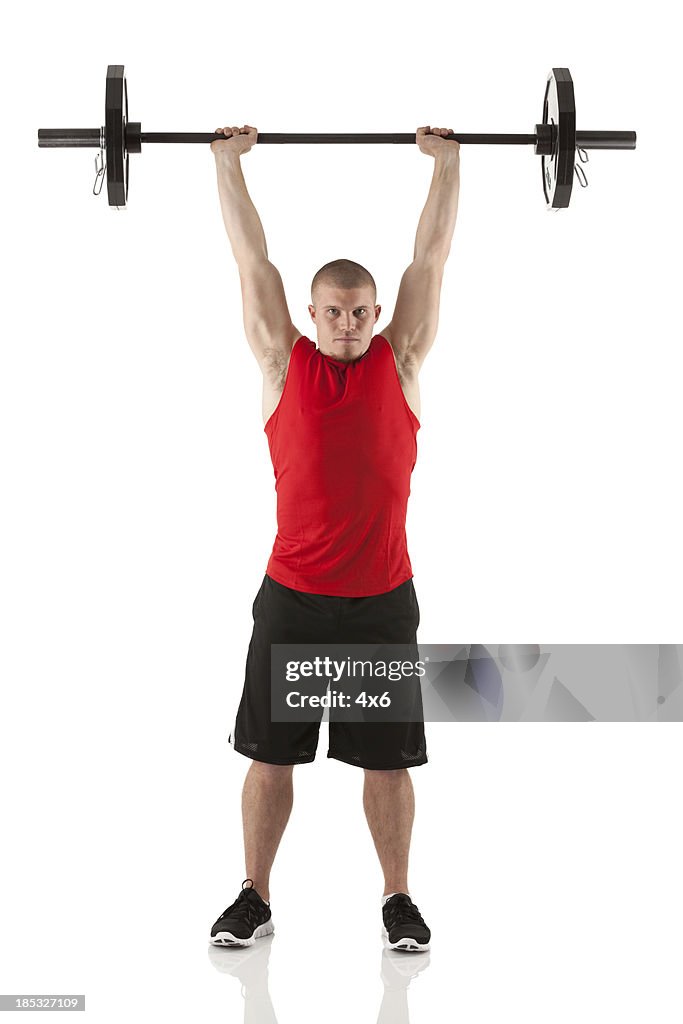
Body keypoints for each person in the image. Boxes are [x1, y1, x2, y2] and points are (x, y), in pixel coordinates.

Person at [208, 123, 460, 952]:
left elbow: (428, 261)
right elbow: (254, 265)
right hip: (293, 602)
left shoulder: (404, 360)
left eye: (358, 312)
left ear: (375, 313)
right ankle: (254, 894)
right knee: (270, 760)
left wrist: (446, 167)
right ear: (310, 314)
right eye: (332, 312)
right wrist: (226, 165)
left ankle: (397, 901)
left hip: (380, 603)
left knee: (386, 764)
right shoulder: (284, 364)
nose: (346, 323)